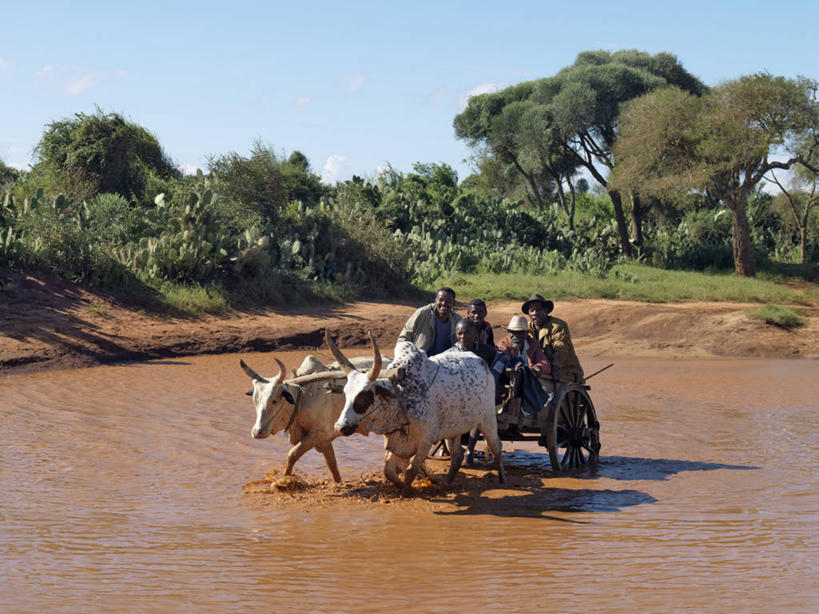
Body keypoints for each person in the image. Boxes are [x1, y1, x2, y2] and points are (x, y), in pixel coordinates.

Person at [522, 293, 584, 383]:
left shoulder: (557, 326)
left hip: (564, 370)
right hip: (541, 368)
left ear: (546, 310)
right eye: (532, 310)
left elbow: (561, 349)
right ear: (528, 313)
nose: (535, 313)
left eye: (538, 310)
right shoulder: (526, 328)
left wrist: (555, 368)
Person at [397, 287, 461, 356]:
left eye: (448, 301)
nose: (443, 303)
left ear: (454, 303)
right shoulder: (423, 313)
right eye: (441, 300)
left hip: (445, 361)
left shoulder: (457, 320)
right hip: (422, 359)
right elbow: (404, 337)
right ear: (435, 300)